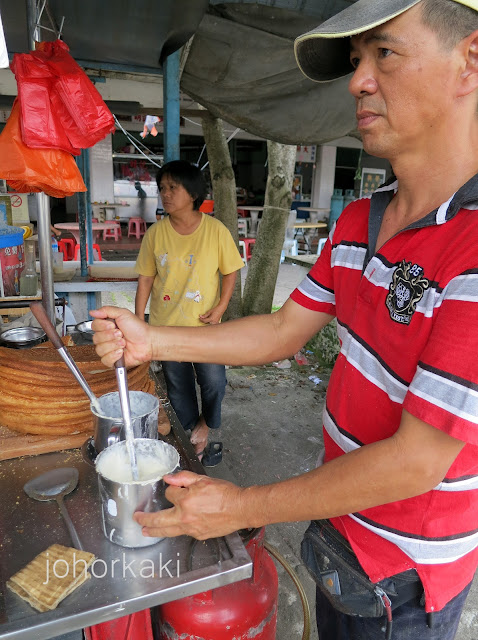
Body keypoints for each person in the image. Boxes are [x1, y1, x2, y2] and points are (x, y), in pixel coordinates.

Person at [91, 1, 478, 637]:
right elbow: (281, 330)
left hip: (406, 575)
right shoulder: (362, 220)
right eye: (355, 61)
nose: (357, 80)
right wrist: (150, 337)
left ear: (470, 62)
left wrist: (239, 505)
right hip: (341, 517)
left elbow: (417, 462)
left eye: (385, 52)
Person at [134, 160, 244, 464]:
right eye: (162, 188)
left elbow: (231, 271)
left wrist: (221, 306)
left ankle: (205, 427)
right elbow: (145, 279)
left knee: (214, 382)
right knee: (179, 387)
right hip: (167, 327)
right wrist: (138, 319)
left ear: (193, 192)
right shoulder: (155, 234)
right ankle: (191, 442)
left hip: (205, 327)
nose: (165, 194)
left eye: (172, 187)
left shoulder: (215, 230)